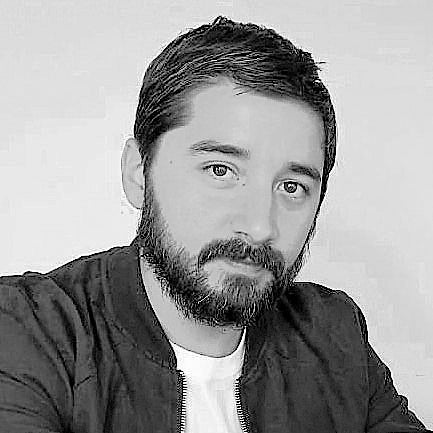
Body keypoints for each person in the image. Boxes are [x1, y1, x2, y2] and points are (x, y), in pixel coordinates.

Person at [0, 16, 430, 433]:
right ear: (138, 173)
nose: (260, 227)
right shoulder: (29, 331)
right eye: (220, 170)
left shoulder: (334, 336)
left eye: (292, 187)